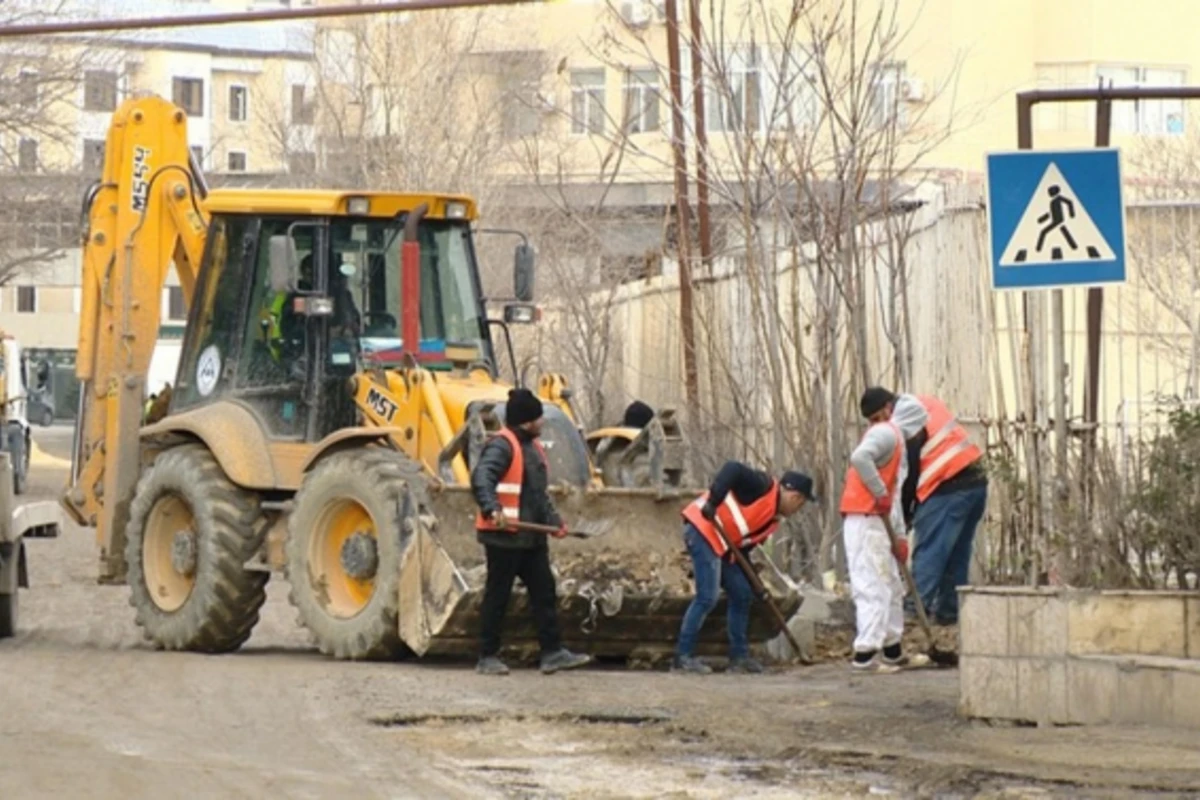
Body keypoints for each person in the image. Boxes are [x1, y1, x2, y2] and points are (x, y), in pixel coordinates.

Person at [470, 388, 592, 676]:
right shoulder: (502, 445)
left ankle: (552, 652)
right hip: (504, 537)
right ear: (526, 421)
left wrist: (554, 522)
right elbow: (481, 478)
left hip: (530, 538)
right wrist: (492, 509)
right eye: (538, 418)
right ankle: (486, 656)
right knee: (497, 596)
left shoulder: (534, 448)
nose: (542, 423)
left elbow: (538, 495)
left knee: (544, 592)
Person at [673, 462, 816, 674]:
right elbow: (731, 468)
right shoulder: (762, 486)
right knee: (707, 596)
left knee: (742, 593)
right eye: (800, 502)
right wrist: (713, 502)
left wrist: (756, 584)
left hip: (722, 545)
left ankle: (739, 658)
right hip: (703, 530)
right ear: (794, 496)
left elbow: (743, 552)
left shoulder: (771, 520)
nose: (797, 508)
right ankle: (682, 657)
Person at [863, 387, 989, 626]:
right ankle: (949, 615)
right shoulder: (924, 403)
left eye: (878, 419)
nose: (878, 426)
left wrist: (906, 511)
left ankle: (912, 616)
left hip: (946, 486)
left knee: (929, 553)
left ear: (888, 408)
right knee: (956, 555)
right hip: (975, 483)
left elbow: (908, 470)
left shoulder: (903, 419)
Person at [841, 388, 929, 672]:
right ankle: (865, 655)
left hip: (878, 520)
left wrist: (900, 537)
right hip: (865, 519)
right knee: (873, 585)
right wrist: (878, 491)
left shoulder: (895, 442)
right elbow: (860, 458)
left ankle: (892, 649)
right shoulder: (886, 433)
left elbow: (893, 497)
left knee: (890, 585)